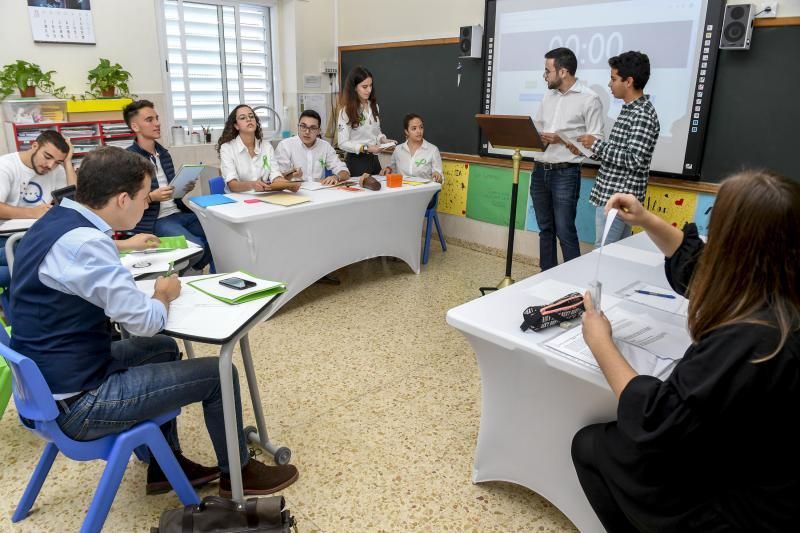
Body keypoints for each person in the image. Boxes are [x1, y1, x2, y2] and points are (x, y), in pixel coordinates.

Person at [9, 146, 299, 498]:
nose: (148, 205)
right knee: (218, 374)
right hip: (79, 404)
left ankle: (166, 464)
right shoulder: (86, 244)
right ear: (120, 200)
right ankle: (238, 474)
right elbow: (146, 320)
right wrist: (163, 293)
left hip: (49, 383)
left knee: (161, 348)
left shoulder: (56, 220)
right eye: (145, 198)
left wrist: (121, 253)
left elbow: (82, 272)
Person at [572, 170, 800, 532]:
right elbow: (700, 267)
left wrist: (601, 344)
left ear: (734, 244)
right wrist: (646, 219)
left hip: (744, 507)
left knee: (593, 446)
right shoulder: (776, 286)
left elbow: (656, 421)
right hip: (754, 459)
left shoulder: (753, 339)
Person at [530, 47, 604, 271]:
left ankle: (572, 285)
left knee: (565, 231)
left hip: (565, 172)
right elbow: (540, 127)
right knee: (545, 229)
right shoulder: (547, 96)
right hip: (540, 168)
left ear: (563, 72)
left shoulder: (589, 99)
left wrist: (562, 140)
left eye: (547, 71)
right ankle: (545, 277)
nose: (545, 76)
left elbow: (597, 142)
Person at [577, 51, 660, 246]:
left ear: (628, 81)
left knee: (604, 251)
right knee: (615, 252)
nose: (609, 84)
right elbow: (616, 153)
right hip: (613, 195)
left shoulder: (642, 114)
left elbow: (634, 159)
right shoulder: (630, 109)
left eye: (613, 79)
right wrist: (587, 149)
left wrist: (596, 144)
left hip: (619, 198)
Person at [124, 100, 213, 273]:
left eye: (157, 118)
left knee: (218, 234)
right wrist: (151, 197)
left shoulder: (163, 153)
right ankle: (189, 270)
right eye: (150, 120)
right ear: (135, 127)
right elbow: (127, 201)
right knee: (197, 246)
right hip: (155, 219)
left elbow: (171, 192)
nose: (157, 123)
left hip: (179, 211)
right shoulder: (129, 159)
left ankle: (192, 269)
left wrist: (182, 188)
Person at [0, 130, 77, 287]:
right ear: (34, 145)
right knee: (39, 270)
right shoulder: (5, 166)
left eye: (58, 162)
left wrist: (68, 163)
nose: (50, 165)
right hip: (6, 239)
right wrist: (32, 213)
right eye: (47, 157)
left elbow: (75, 202)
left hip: (35, 237)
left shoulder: (56, 169)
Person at [217, 104, 300, 193]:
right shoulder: (227, 148)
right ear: (236, 126)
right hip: (238, 200)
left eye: (251, 116)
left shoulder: (266, 146)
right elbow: (232, 185)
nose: (249, 119)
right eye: (242, 118)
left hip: (263, 197)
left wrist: (288, 185)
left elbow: (275, 175)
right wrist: (252, 185)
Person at [337, 65, 395, 176]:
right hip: (357, 161)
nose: (369, 90)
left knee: (379, 191)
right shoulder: (346, 111)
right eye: (364, 86)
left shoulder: (374, 106)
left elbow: (376, 132)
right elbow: (342, 143)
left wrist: (383, 140)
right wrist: (365, 148)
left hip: (374, 160)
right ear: (354, 87)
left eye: (370, 85)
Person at [274, 109, 350, 185]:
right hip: (294, 192)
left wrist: (336, 177)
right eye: (303, 126)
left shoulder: (325, 146)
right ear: (298, 127)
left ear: (318, 131)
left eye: (313, 128)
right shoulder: (285, 145)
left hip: (319, 191)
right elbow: (276, 177)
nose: (307, 132)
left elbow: (344, 171)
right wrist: (291, 175)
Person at [380, 113, 443, 183]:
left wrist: (438, 176)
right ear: (406, 131)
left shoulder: (433, 150)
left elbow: (440, 179)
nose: (419, 131)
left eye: (421, 127)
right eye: (414, 128)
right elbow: (391, 170)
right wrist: (388, 169)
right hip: (402, 191)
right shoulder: (398, 150)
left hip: (423, 192)